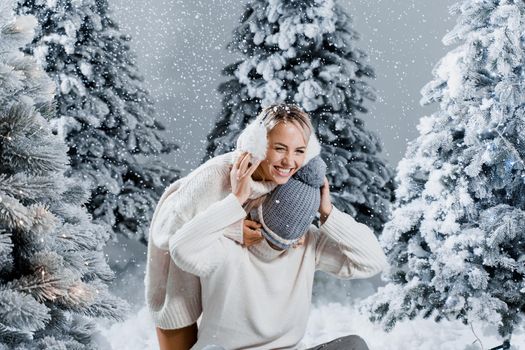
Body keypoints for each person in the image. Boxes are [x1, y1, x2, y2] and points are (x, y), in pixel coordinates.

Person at [145, 104, 321, 349]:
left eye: (299, 151)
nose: (289, 161)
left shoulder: (280, 177)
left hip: (217, 284)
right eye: (280, 148)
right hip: (178, 288)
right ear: (259, 145)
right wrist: (233, 227)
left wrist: (294, 233)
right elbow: (165, 233)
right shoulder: (215, 176)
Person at [168, 154, 388, 349]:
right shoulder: (226, 241)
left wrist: (328, 213)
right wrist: (232, 217)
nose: (283, 242)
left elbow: (372, 261)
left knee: (353, 346)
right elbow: (180, 247)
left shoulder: (309, 243)